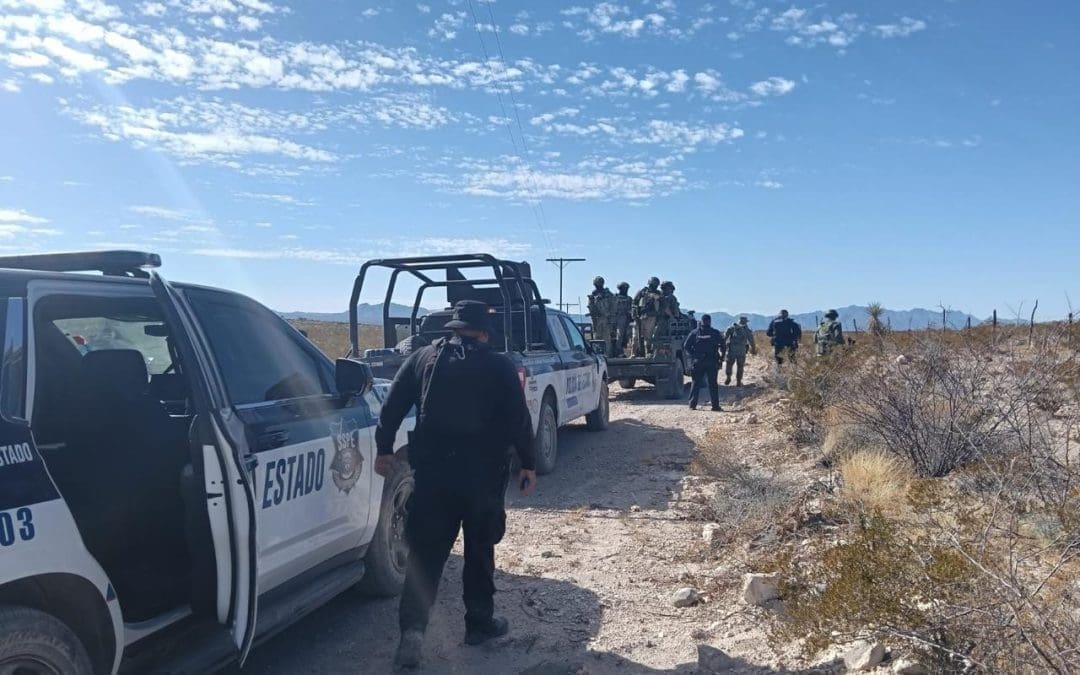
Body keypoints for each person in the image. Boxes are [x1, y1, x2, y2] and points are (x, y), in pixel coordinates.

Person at [374, 300, 537, 669]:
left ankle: (412, 634)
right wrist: (528, 463)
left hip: (433, 475)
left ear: (453, 327)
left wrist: (384, 449)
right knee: (479, 551)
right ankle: (479, 625)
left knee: (425, 555)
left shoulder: (422, 359)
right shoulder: (498, 365)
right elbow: (518, 419)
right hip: (482, 476)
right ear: (483, 331)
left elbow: (392, 405)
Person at [683, 314, 724, 411]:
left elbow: (686, 346)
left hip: (698, 362)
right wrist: (721, 358)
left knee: (695, 383)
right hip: (712, 361)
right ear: (710, 321)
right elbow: (723, 345)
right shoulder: (715, 333)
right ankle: (715, 406)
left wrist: (694, 355)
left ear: (701, 321)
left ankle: (692, 405)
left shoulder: (695, 333)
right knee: (713, 384)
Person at [723, 316, 757, 386]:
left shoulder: (731, 328)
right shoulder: (747, 330)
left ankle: (728, 376)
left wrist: (723, 347)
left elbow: (724, 338)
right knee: (740, 366)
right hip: (741, 351)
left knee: (729, 365)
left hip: (731, 350)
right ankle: (738, 381)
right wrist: (753, 349)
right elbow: (751, 341)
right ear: (746, 322)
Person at [632, 276, 662, 356]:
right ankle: (633, 353)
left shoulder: (658, 294)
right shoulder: (642, 292)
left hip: (651, 316)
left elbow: (661, 303)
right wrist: (635, 315)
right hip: (640, 316)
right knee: (635, 337)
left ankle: (647, 352)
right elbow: (634, 303)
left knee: (648, 336)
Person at [587, 276, 615, 356]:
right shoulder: (593, 294)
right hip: (597, 318)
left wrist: (610, 316)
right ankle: (598, 354)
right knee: (597, 337)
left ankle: (607, 354)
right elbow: (590, 306)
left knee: (606, 337)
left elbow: (613, 305)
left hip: (606, 318)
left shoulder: (608, 294)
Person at [654, 280, 681, 346]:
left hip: (670, 320)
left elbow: (676, 309)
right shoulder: (664, 298)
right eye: (670, 289)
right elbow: (666, 308)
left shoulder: (671, 297)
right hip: (663, 319)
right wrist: (672, 317)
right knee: (658, 337)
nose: (672, 291)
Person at [613, 282, 633, 356]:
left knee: (628, 335)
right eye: (624, 288)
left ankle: (628, 351)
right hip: (618, 318)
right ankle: (619, 351)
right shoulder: (615, 297)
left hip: (628, 318)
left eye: (626, 289)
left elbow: (631, 308)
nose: (626, 290)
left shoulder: (629, 299)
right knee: (620, 335)